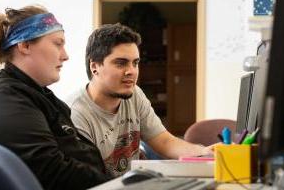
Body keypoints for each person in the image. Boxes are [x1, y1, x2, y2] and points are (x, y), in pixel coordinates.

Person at [0, 5, 111, 190]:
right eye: (58, 44)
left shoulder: (36, 95)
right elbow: (50, 173)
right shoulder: (5, 100)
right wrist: (116, 185)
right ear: (24, 46)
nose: (65, 55)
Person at [68, 23, 213, 178]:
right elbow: (88, 178)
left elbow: (164, 141)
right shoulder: (75, 113)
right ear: (94, 67)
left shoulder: (134, 94)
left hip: (133, 188)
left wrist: (204, 152)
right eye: (121, 63)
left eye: (135, 63)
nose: (131, 71)